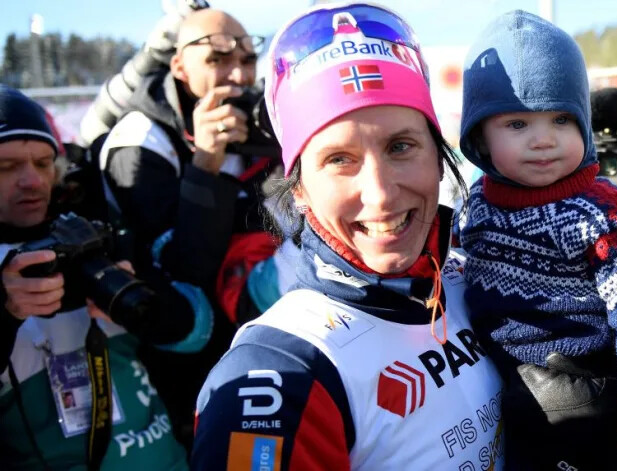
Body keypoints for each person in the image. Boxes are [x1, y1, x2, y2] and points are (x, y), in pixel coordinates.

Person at [192, 3, 505, 470]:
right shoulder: (281, 369)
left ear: (439, 159)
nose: (380, 195)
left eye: (401, 146)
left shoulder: (480, 280)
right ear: (299, 189)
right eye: (339, 159)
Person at [457, 11, 617, 470]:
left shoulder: (603, 212)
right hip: (505, 389)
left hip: (585, 399)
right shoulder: (477, 201)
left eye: (561, 119)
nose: (543, 140)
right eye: (517, 124)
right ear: (480, 136)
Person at [97, 8, 274, 444]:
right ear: (179, 65)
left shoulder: (256, 118)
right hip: (183, 369)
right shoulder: (140, 142)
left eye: (248, 59)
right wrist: (205, 167)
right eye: (217, 59)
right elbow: (182, 273)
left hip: (263, 336)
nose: (238, 75)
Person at [0, 85, 191, 470]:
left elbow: (196, 332)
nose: (33, 181)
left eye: (43, 163)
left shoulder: (93, 235)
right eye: (6, 167)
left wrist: (142, 297)